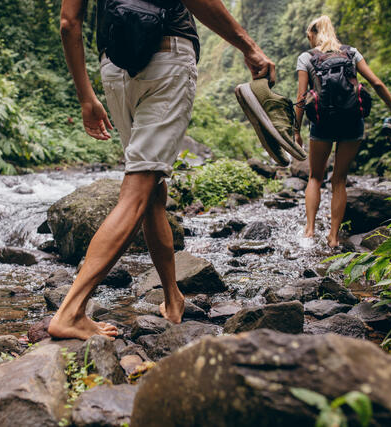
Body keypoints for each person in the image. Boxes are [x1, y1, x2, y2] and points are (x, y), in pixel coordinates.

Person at [48, 0, 275, 340]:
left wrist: (85, 96)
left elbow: (69, 23)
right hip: (166, 56)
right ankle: (71, 311)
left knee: (152, 190)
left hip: (115, 65)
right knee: (138, 190)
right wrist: (249, 47)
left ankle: (172, 298)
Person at [294, 15, 391, 248]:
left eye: (309, 36)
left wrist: (296, 131)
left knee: (315, 177)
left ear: (313, 34)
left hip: (322, 122)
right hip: (352, 122)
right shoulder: (351, 53)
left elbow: (300, 98)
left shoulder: (306, 57)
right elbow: (377, 84)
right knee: (339, 180)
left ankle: (309, 231)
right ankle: (334, 238)